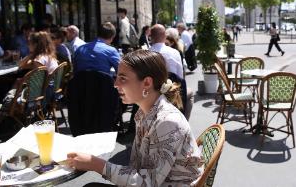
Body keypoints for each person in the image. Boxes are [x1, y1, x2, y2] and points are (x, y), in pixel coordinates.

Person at [66, 50, 203, 186]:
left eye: (123, 78)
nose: (115, 84)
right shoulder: (143, 113)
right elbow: (138, 168)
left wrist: (96, 164)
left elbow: (148, 182)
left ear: (147, 83)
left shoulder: (167, 122)